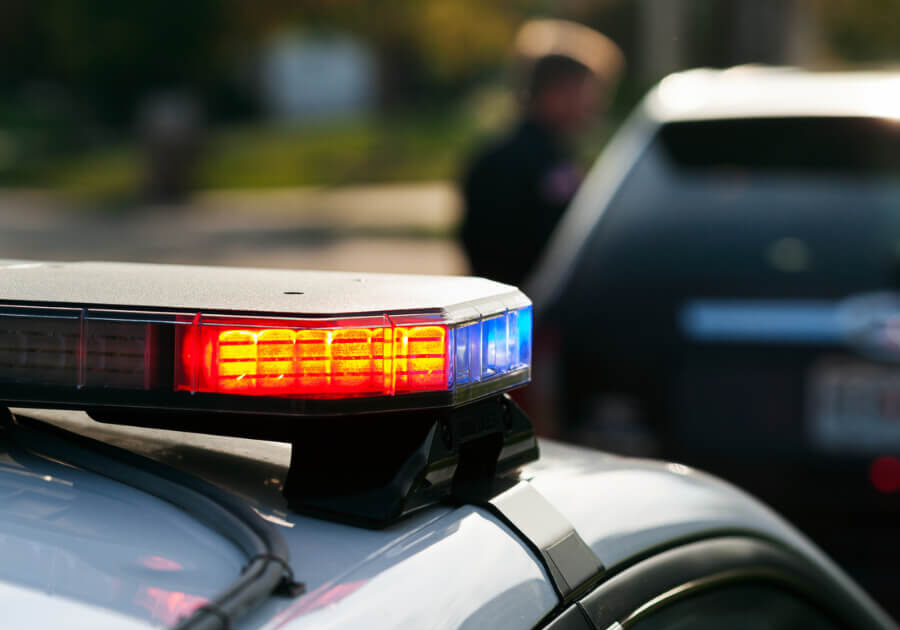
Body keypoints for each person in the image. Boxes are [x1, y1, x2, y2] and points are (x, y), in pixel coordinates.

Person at [461, 19, 623, 287]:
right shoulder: (512, 163)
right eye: (586, 91)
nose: (595, 105)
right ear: (553, 92)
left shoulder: (553, 157)